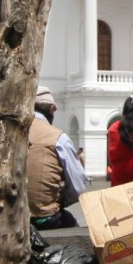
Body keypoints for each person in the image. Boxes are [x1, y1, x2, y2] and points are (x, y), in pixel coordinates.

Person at [27, 85, 89, 230]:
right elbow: (78, 187)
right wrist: (60, 200)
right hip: (43, 219)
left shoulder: (6, 133)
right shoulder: (58, 138)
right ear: (51, 109)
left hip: (8, 216)